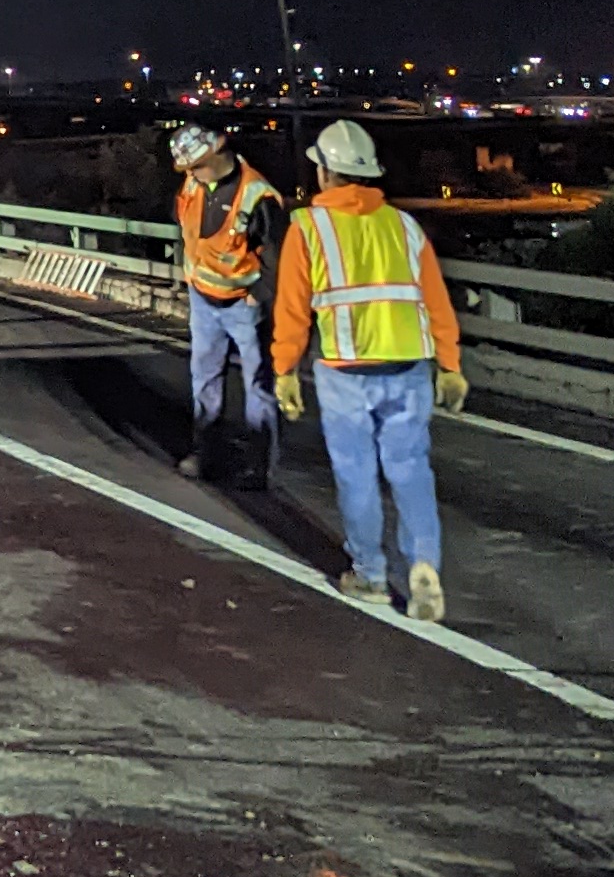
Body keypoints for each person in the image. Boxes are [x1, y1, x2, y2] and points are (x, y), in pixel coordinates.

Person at [270, 119, 468, 621]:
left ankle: (371, 575)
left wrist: (285, 369)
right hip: (408, 364)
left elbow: (293, 308)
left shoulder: (307, 227)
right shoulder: (404, 226)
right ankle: (424, 565)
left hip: (345, 369)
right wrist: (450, 365)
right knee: (411, 470)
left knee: (357, 475)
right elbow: (437, 302)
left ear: (324, 172)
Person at [167, 121, 285, 480]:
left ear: (219, 149)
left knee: (259, 385)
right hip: (203, 297)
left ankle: (257, 465)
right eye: (190, 168)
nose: (194, 174)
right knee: (204, 378)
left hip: (243, 304)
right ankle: (205, 453)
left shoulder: (257, 196)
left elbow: (277, 257)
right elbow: (185, 225)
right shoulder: (193, 182)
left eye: (199, 166)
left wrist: (258, 297)